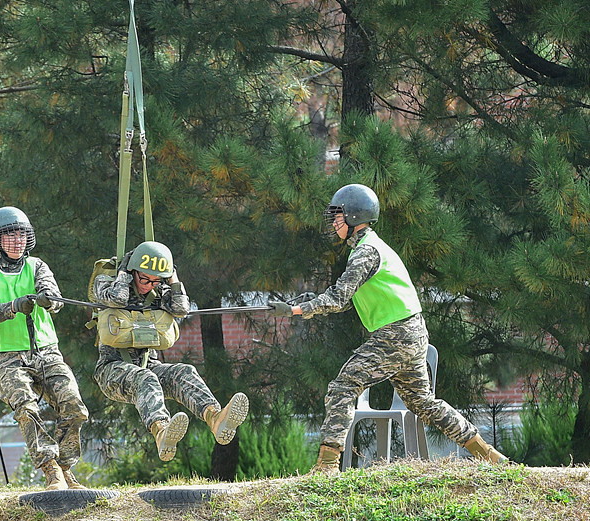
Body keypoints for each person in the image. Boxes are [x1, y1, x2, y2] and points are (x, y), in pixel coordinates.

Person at [268, 184, 507, 474]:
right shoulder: (371, 247)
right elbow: (347, 300)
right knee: (423, 403)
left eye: (338, 216)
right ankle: (488, 455)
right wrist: (305, 303)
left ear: (355, 216)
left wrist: (296, 310)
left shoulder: (365, 252)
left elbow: (339, 297)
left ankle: (327, 467)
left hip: (396, 335)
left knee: (343, 386)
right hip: (412, 333)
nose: (333, 222)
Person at [92, 240, 249, 461]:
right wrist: (124, 273)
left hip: (149, 366)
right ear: (132, 270)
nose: (148, 285)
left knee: (183, 371)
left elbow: (181, 308)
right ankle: (162, 431)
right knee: (144, 377)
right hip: (112, 370)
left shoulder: (158, 292)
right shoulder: (106, 283)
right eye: (144, 278)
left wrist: (172, 278)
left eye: (155, 280)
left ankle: (215, 418)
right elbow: (117, 299)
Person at [0, 206, 89, 490]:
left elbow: (56, 299)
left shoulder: (38, 266)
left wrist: (50, 300)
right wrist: (13, 307)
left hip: (46, 352)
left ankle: (64, 467)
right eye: (9, 234)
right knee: (26, 407)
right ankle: (50, 468)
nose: (17, 240)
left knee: (75, 407)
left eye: (22, 234)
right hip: (6, 358)